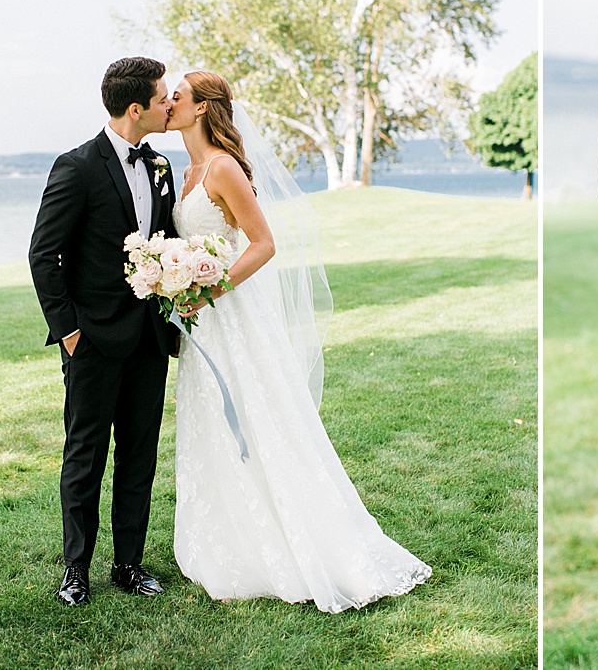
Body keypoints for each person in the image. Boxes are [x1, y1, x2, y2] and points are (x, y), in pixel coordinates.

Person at [165, 71, 431, 612]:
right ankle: (231, 539)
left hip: (231, 313)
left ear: (201, 109)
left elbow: (263, 245)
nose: (168, 103)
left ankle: (306, 542)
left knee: (259, 417)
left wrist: (209, 288)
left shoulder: (223, 168)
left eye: (178, 97)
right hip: (202, 324)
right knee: (212, 419)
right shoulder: (186, 170)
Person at [28, 56, 179, 606]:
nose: (171, 105)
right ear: (136, 108)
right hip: (91, 340)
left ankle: (130, 565)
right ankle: (76, 570)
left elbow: (165, 244)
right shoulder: (77, 166)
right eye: (164, 98)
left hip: (149, 338)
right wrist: (69, 333)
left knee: (140, 454)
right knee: (85, 455)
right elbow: (43, 256)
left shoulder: (160, 166)